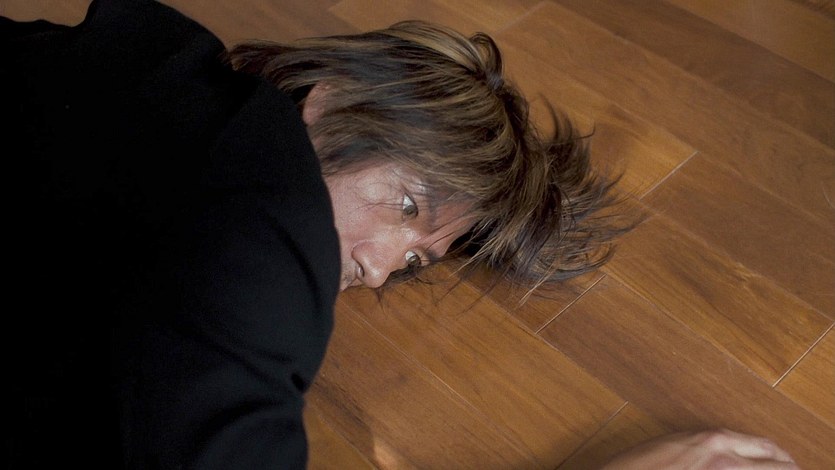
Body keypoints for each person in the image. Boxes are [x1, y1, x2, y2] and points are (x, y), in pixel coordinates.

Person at [1, 0, 797, 468]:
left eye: (416, 258)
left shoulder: (141, 69)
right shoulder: (264, 207)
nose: (380, 269)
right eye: (409, 204)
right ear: (330, 103)